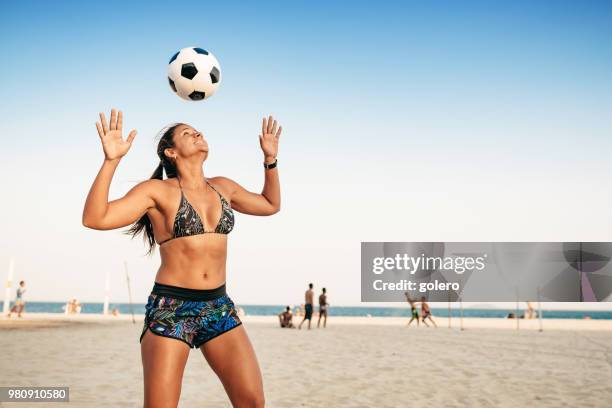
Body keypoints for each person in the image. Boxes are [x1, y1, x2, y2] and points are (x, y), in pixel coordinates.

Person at [83, 109, 282, 407]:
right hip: (171, 309)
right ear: (171, 152)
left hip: (218, 307)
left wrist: (270, 160)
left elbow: (270, 204)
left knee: (252, 402)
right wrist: (111, 161)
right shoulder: (156, 191)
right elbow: (95, 218)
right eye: (188, 133)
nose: (198, 134)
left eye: (198, 131)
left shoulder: (223, 187)